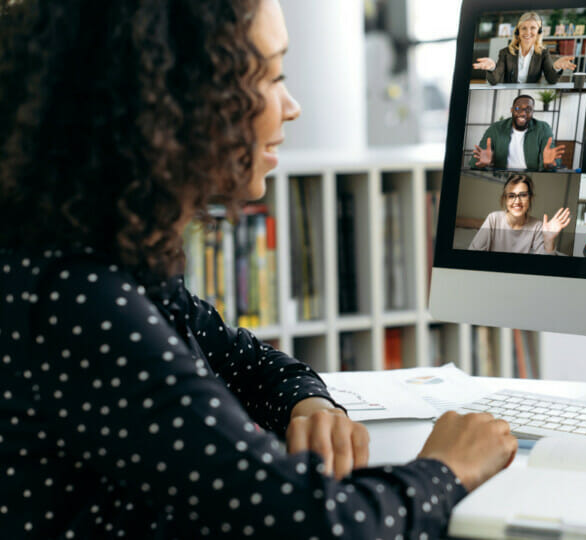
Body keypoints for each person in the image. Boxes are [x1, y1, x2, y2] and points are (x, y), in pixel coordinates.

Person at [0, 1, 518, 538]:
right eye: (269, 76)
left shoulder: (109, 258)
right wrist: (449, 467)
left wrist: (308, 403)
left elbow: (245, 361)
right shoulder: (78, 297)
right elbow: (316, 526)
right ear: (173, 100)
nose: (291, 107)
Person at [468, 174, 571, 254]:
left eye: (523, 195)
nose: (517, 201)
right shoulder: (493, 219)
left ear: (530, 198)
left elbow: (544, 266)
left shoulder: (537, 226)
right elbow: (473, 252)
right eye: (511, 196)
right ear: (505, 199)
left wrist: (549, 241)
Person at [473, 11, 577, 85]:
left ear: (539, 31)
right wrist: (492, 68)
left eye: (533, 28)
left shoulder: (543, 53)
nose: (528, 32)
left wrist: (556, 67)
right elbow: (494, 80)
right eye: (524, 28)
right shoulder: (505, 52)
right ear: (518, 31)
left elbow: (551, 79)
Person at [470, 94, 565, 171]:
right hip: (504, 175)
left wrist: (547, 165)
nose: (523, 113)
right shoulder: (496, 128)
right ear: (511, 110)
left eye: (528, 109)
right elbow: (474, 162)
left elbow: (553, 160)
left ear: (533, 112)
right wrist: (481, 164)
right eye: (517, 108)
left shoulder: (543, 128)